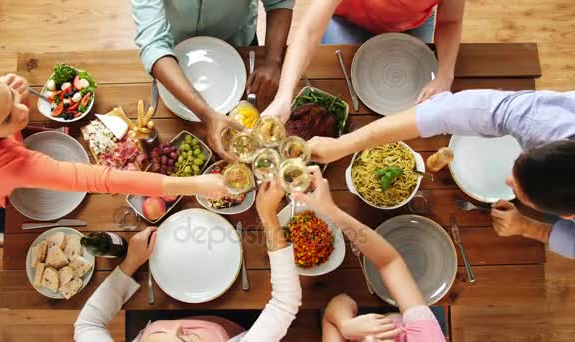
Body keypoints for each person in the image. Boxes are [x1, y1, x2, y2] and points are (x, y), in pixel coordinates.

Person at [305, 89, 575, 258]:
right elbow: (449, 112)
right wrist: (342, 145)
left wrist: (529, 227)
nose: (507, 181)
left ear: (568, 216)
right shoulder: (545, 122)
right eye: (518, 163)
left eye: (519, 191)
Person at [0, 66, 226, 233]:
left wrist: (15, 93)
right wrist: (196, 184)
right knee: (7, 222)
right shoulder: (10, 164)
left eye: (8, 95)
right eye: (6, 118)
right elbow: (101, 179)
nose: (23, 109)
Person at [74, 180, 302, 341]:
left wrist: (130, 264)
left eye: (157, 335)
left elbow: (87, 324)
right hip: (234, 321)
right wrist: (269, 218)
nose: (179, 325)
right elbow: (284, 305)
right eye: (188, 338)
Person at [291, 168, 444, 341]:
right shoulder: (426, 337)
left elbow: (338, 304)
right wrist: (332, 212)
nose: (371, 339)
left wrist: (345, 324)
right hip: (407, 318)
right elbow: (390, 262)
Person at [131, 0, 294, 159]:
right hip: (172, 60)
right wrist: (207, 116)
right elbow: (154, 44)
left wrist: (273, 61)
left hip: (238, 48)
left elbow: (279, 2)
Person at [261, 0, 465, 123]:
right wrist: (284, 96)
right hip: (349, 21)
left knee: (410, 105)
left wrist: (445, 75)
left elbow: (450, 21)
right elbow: (309, 32)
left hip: (412, 25)